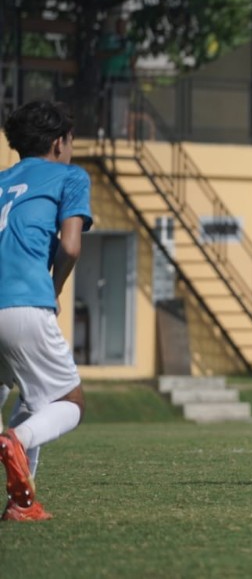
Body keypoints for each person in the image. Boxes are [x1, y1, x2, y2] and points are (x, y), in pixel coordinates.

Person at [0, 100, 92, 521]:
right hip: (22, 303)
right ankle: (14, 440)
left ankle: (21, 505)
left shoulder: (2, 181)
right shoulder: (70, 176)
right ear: (60, 142)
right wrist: (54, 289)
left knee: (27, 397)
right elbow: (71, 246)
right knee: (68, 401)